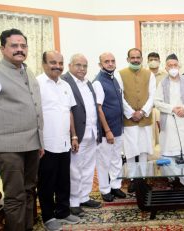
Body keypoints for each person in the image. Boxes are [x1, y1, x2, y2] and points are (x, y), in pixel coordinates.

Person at [0, 28, 44, 231]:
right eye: (14, 45)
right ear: (2, 48)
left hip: (32, 145)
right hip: (8, 148)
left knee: (28, 191)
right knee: (15, 196)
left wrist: (40, 143)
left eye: (23, 46)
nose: (19, 49)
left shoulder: (28, 71)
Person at [37, 51, 81, 230]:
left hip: (64, 142)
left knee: (64, 179)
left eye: (60, 63)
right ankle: (48, 217)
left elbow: (69, 111)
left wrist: (74, 135)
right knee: (47, 181)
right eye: (53, 62)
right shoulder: (37, 83)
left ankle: (63, 211)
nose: (57, 66)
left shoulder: (65, 85)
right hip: (46, 144)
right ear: (43, 64)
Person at [62, 54, 102, 216]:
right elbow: (68, 110)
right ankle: (73, 201)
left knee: (88, 168)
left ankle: (84, 196)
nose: (82, 69)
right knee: (75, 169)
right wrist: (73, 135)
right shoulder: (65, 81)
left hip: (91, 133)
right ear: (70, 65)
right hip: (77, 134)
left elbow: (93, 107)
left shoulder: (88, 82)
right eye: (78, 65)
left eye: (85, 66)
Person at [154, 54, 184, 187]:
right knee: (169, 152)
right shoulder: (162, 83)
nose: (173, 67)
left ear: (179, 66)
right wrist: (172, 108)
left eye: (175, 65)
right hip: (169, 122)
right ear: (166, 68)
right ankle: (173, 180)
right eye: (170, 65)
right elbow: (157, 102)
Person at [119, 48, 156, 193]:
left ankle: (143, 179)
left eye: (138, 57)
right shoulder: (120, 74)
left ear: (141, 59)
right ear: (128, 59)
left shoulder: (149, 74)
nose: (135, 60)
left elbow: (153, 95)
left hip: (144, 118)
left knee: (143, 150)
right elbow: (119, 96)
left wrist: (142, 112)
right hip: (129, 119)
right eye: (132, 57)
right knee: (131, 150)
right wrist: (130, 113)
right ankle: (133, 180)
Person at [92, 52, 126, 202]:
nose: (110, 63)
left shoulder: (115, 79)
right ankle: (105, 190)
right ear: (100, 65)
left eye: (112, 61)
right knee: (104, 161)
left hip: (118, 128)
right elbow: (98, 109)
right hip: (107, 131)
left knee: (116, 159)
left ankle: (115, 186)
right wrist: (107, 130)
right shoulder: (98, 82)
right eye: (107, 61)